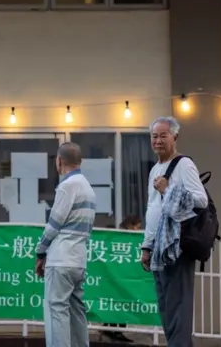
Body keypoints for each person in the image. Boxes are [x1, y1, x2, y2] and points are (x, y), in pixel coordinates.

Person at [140, 116, 207, 347]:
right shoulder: (154, 169)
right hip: (159, 245)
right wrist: (146, 246)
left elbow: (201, 200)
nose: (158, 140)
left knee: (179, 306)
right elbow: (152, 208)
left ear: (174, 137)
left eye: (163, 135)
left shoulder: (184, 164)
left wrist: (169, 189)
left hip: (177, 243)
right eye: (154, 136)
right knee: (167, 307)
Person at [34, 142, 95, 347]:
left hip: (60, 259)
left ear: (59, 161)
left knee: (56, 311)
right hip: (79, 260)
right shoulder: (87, 187)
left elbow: (54, 223)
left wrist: (40, 250)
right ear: (80, 161)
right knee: (77, 311)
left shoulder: (67, 186)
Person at [101, 215, 141, 343]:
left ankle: (114, 330)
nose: (138, 230)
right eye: (136, 227)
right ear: (130, 225)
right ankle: (111, 329)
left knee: (123, 302)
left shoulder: (128, 238)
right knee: (116, 301)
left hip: (123, 277)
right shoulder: (120, 237)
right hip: (117, 276)